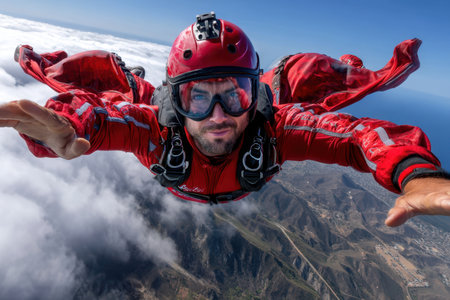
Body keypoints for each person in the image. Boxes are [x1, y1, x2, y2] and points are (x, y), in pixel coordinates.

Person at [0, 12, 449, 228]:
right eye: (198, 98)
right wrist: (62, 130)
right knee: (117, 87)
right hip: (154, 108)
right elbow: (98, 113)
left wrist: (417, 175)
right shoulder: (155, 127)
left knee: (300, 80)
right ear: (176, 101)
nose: (218, 117)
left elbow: (357, 136)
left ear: (255, 97)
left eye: (234, 97)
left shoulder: (273, 128)